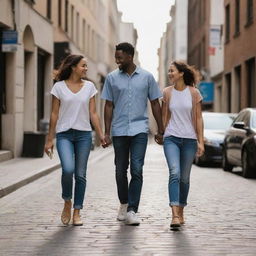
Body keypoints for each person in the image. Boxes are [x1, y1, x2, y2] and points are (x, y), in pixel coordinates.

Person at [101, 42, 164, 225]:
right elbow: (108, 105)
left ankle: (132, 210)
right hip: (119, 130)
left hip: (139, 130)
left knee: (137, 169)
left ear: (130, 56)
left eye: (120, 57)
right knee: (120, 170)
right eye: (116, 57)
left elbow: (155, 103)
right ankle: (123, 202)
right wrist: (106, 133)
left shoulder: (147, 77)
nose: (116, 60)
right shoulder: (112, 78)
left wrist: (161, 129)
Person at [44, 54, 106, 226]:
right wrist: (50, 139)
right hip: (64, 134)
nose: (86, 69)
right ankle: (67, 201)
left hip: (84, 135)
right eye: (83, 66)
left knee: (80, 174)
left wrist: (101, 135)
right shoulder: (59, 87)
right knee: (68, 169)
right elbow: (54, 114)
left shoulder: (90, 87)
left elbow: (93, 113)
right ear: (73, 67)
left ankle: (77, 211)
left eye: (86, 66)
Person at [161, 61, 204, 229]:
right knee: (175, 172)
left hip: (189, 140)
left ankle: (181, 208)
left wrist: (200, 141)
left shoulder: (194, 93)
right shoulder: (167, 92)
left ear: (180, 73)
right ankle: (174, 214)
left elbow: (199, 118)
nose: (170, 73)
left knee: (184, 179)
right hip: (171, 137)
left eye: (172, 71)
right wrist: (162, 133)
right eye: (169, 71)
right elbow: (165, 116)